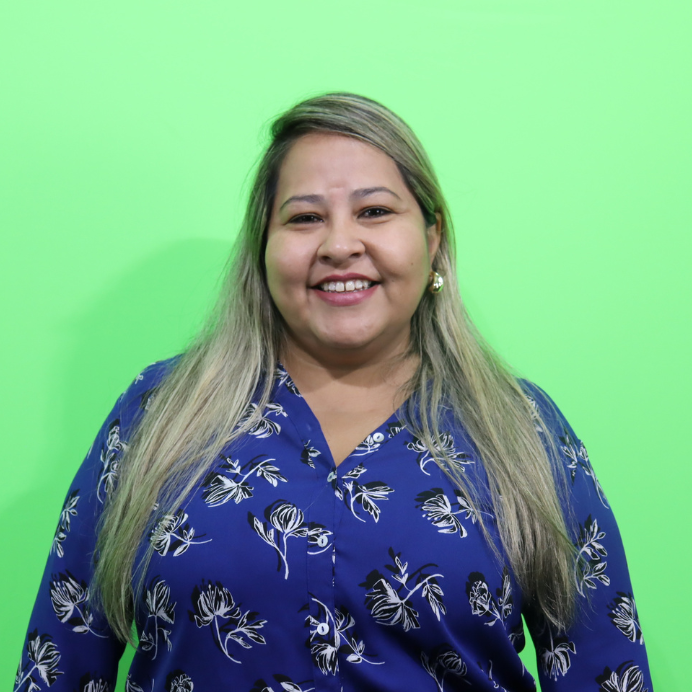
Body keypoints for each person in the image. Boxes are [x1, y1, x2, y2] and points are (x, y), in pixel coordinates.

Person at [15, 92, 653, 692]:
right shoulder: (160, 412)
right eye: (305, 217)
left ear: (432, 237)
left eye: (375, 211)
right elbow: (61, 662)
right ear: (263, 247)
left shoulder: (519, 427)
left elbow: (605, 668)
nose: (341, 245)